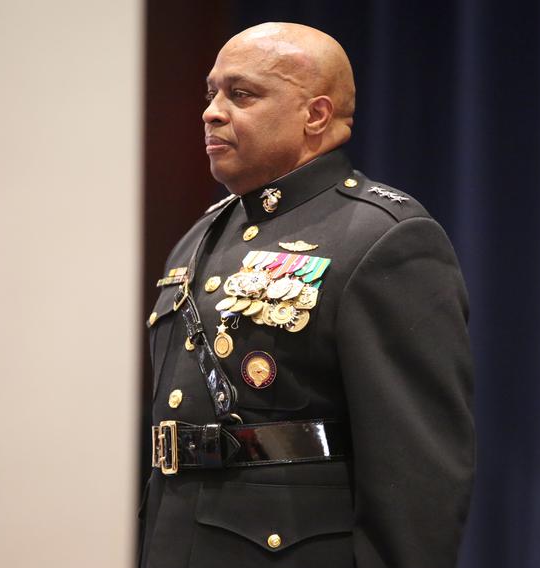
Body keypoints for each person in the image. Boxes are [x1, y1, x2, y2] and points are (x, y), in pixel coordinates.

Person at [139, 22, 475, 568]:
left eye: (241, 94)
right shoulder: (201, 237)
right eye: (212, 93)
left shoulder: (382, 236)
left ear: (314, 115)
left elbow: (418, 476)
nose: (212, 111)